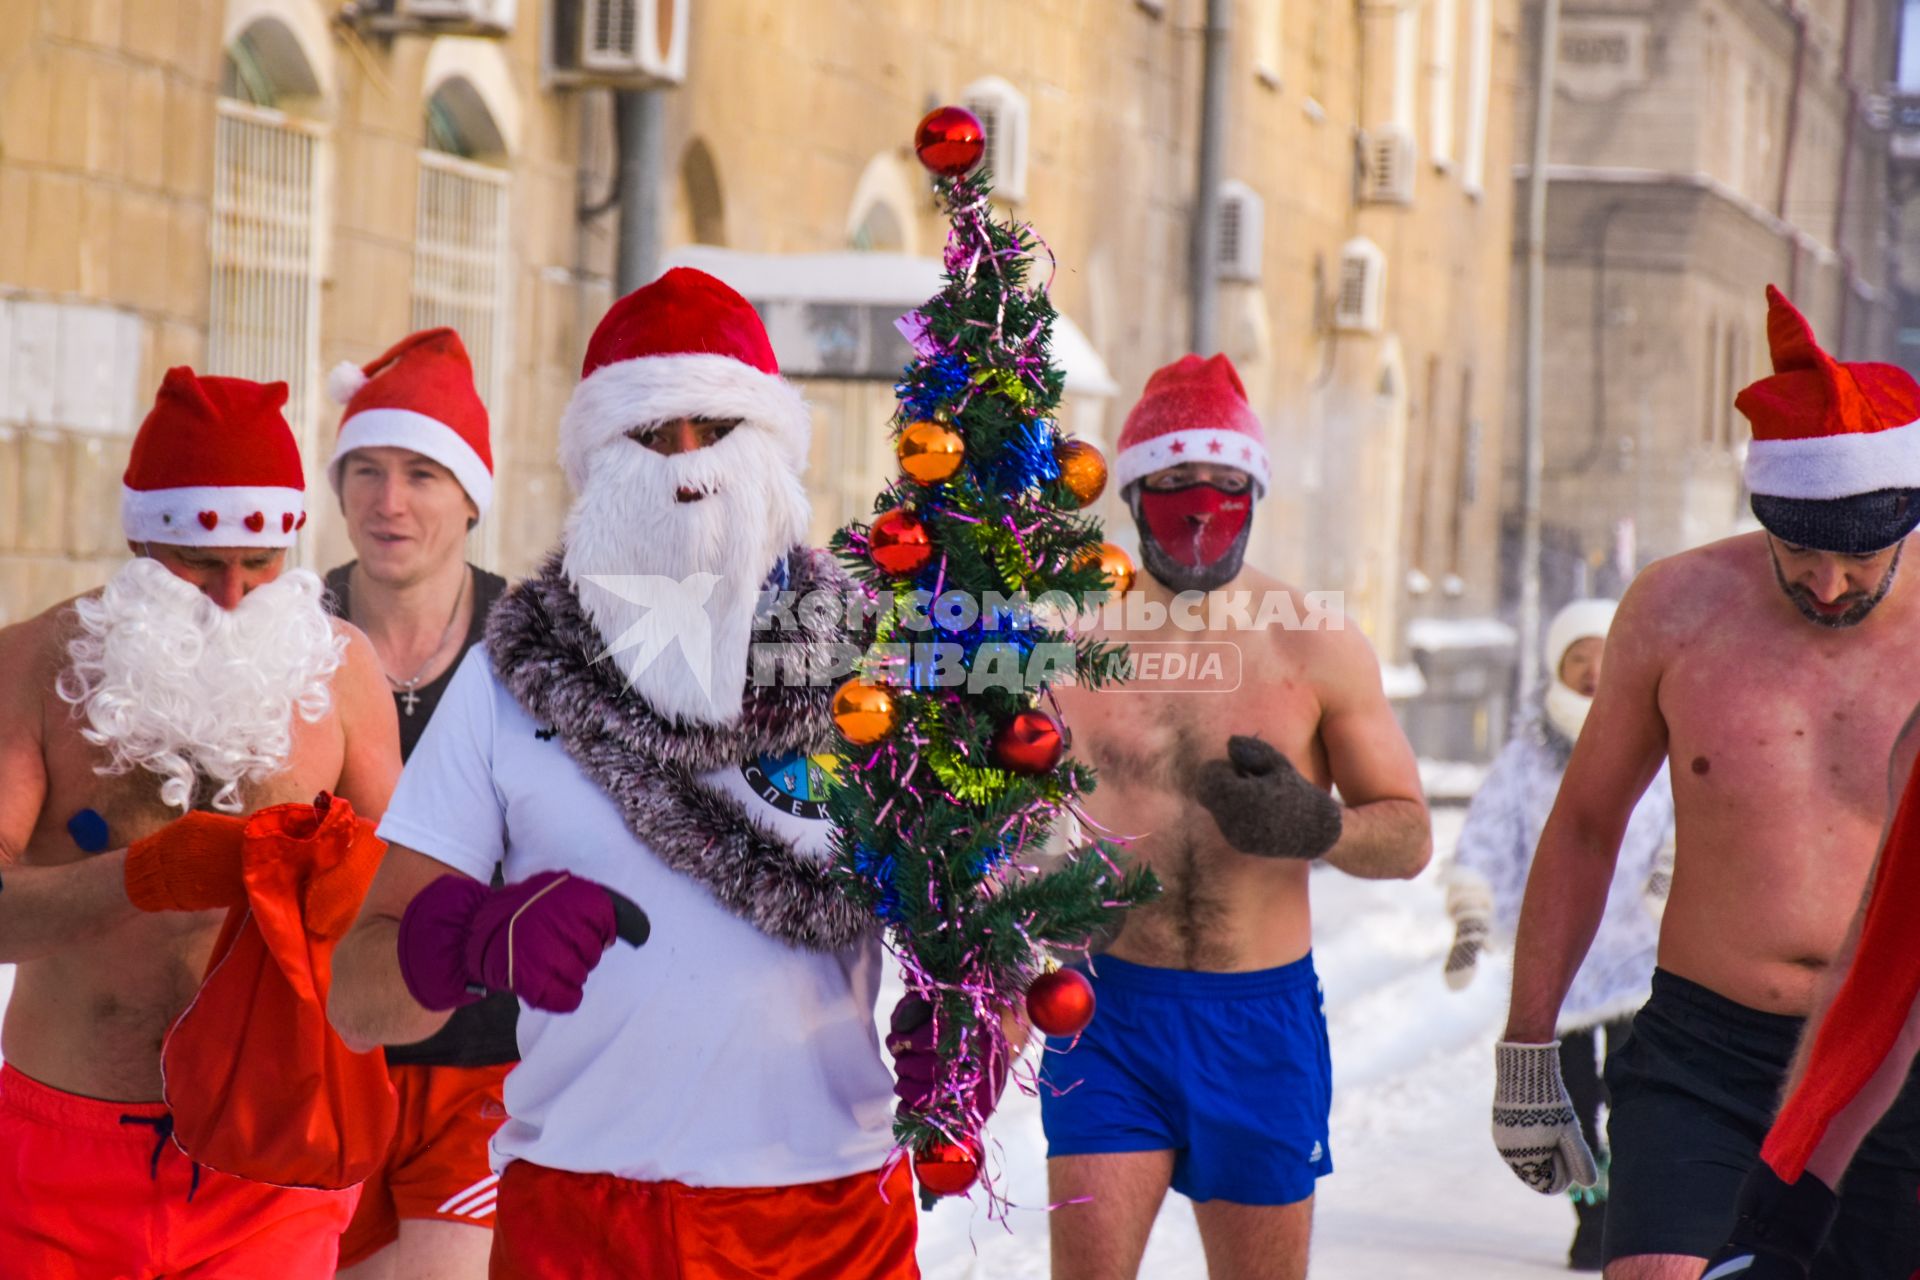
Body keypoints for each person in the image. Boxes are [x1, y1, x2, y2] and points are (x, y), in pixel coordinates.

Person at [329, 268, 950, 1278]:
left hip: (828, 1220)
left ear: (774, 452)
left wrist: (968, 1034)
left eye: (715, 428)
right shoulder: (508, 679)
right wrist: (477, 940)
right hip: (578, 1218)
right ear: (594, 468)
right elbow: (359, 994)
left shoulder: (875, 672)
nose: (687, 466)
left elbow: (986, 917)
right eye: (651, 436)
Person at [1493, 285, 1920, 1279]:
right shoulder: (1679, 609)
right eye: (1797, 550)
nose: (1826, 583)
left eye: (1858, 556)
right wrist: (1528, 1045)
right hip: (1707, 1053)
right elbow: (1588, 824)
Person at [0, 368, 401, 1275]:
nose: (229, 598)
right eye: (197, 565)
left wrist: (338, 875)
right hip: (61, 1155)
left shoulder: (341, 672)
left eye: (259, 567)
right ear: (140, 537)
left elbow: (407, 893)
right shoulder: (31, 665)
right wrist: (137, 877)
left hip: (271, 1163)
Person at [1043, 354, 1432, 1280]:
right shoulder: (1063, 640)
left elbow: (1410, 833)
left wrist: (1320, 827)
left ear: (1254, 492)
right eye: (1176, 484)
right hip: (1108, 1010)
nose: (1201, 504)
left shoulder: (1314, 641)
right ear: (1134, 495)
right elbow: (988, 808)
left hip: (1258, 1023)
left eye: (1224, 485)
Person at [321, 329, 515, 1277]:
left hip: (491, 1059)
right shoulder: (288, 642)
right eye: (365, 470)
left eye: (421, 474)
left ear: (473, 494)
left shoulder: (531, 650)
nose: (388, 502)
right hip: (320, 1057)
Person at [1442, 597, 1674, 1271]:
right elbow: (1487, 836)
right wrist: (1472, 911)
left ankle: (1633, 1210)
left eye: (1604, 657)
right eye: (1579, 659)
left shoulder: (1657, 738)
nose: (1593, 672)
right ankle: (1592, 1209)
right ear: (1558, 668)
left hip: (1641, 957)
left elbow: (1688, 815)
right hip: (1562, 961)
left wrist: (1668, 873)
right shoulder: (1526, 759)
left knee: (1641, 1089)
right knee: (1570, 1095)